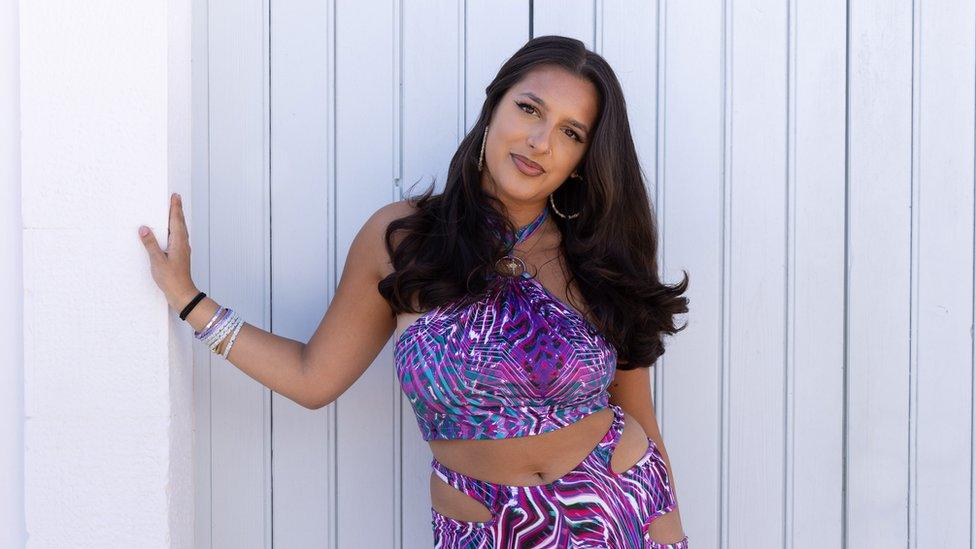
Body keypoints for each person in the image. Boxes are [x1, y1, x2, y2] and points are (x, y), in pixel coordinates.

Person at [139, 35, 690, 548]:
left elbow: (640, 412)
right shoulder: (403, 238)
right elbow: (313, 377)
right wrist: (190, 301)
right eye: (529, 109)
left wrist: (673, 536)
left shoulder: (597, 258)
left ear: (581, 160)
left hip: (619, 511)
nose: (541, 143)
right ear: (493, 107)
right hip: (482, 528)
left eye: (572, 133)